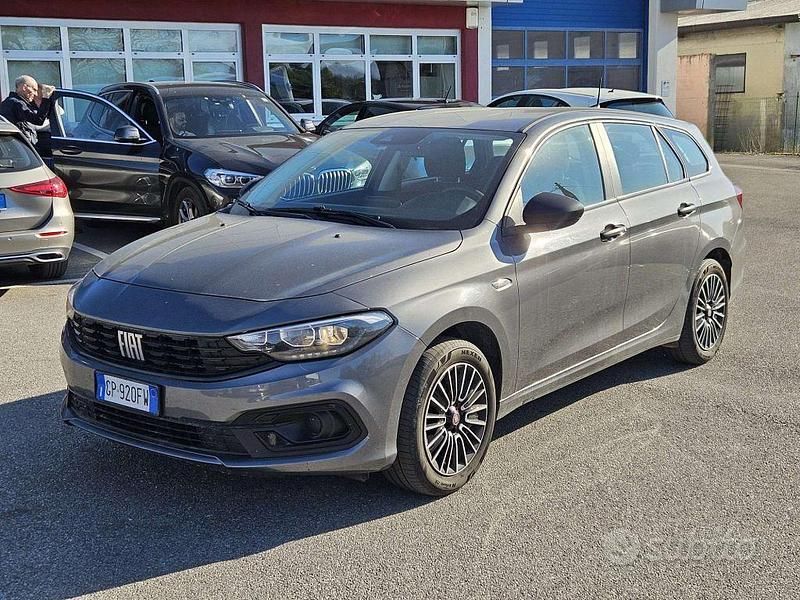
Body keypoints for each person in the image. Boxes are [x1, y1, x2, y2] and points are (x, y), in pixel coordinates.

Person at [0, 75, 54, 147]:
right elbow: (38, 120)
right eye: (34, 90)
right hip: (20, 148)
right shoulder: (17, 104)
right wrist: (46, 98)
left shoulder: (8, 102)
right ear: (24, 88)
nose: (35, 94)